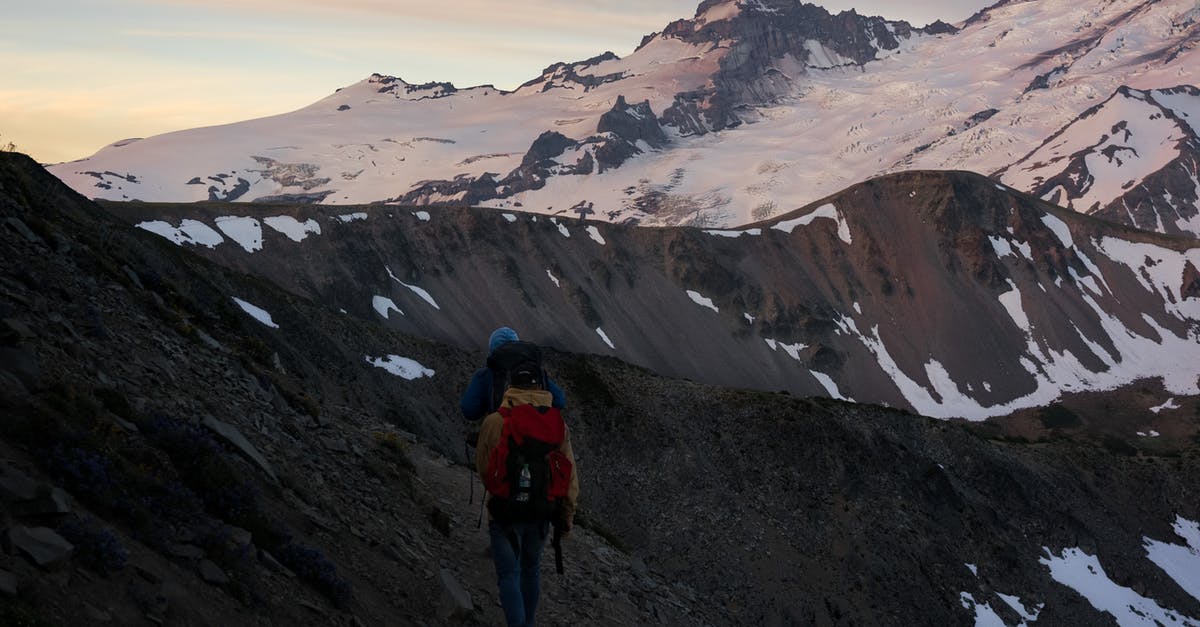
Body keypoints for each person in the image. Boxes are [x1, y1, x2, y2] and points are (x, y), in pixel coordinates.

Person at [470, 329, 578, 627]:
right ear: (538, 382)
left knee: (509, 574)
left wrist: (499, 492)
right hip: (542, 510)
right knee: (531, 570)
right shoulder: (557, 424)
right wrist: (566, 517)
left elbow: (484, 467)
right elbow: (569, 473)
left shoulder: (495, 421)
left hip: (505, 510)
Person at [461, 327, 566, 421]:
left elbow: (470, 411)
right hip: (536, 432)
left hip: (503, 430)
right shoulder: (536, 372)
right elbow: (560, 401)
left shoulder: (485, 374)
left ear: (492, 348)